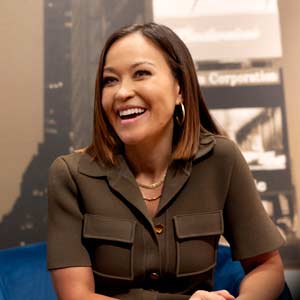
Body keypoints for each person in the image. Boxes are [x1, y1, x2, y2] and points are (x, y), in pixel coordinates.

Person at [47, 22, 285, 300]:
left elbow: (266, 265)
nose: (122, 92)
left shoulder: (222, 159)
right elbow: (75, 296)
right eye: (110, 80)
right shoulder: (70, 175)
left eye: (141, 74)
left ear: (180, 88)